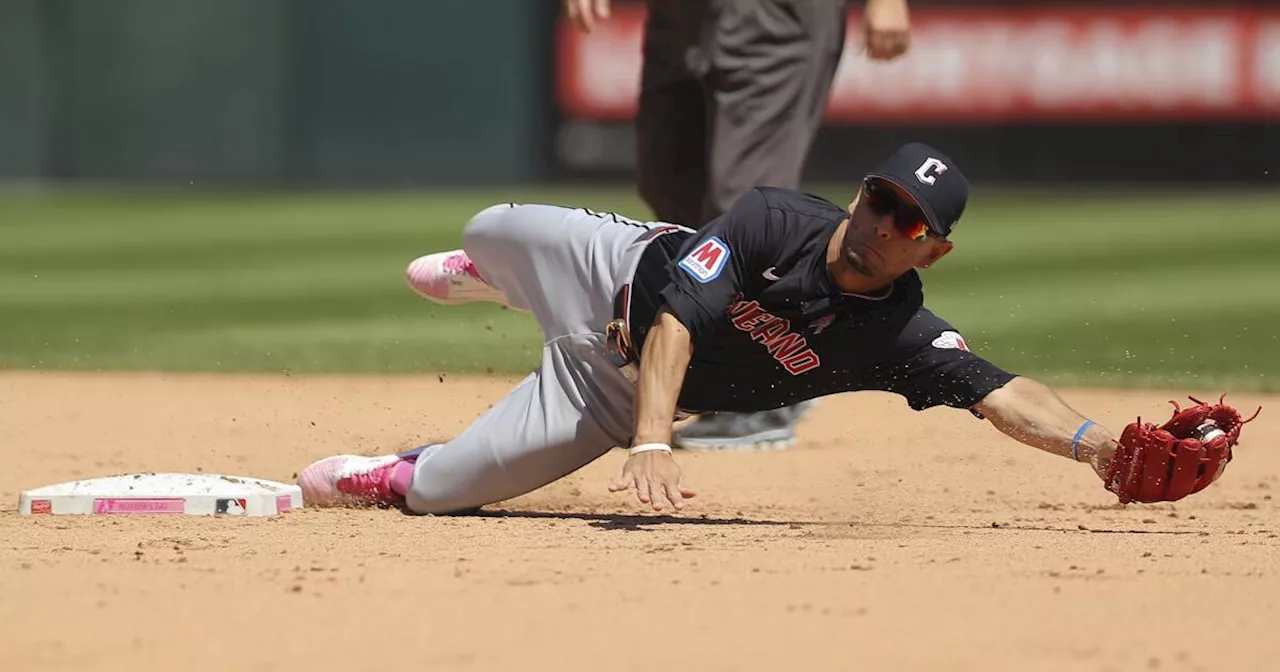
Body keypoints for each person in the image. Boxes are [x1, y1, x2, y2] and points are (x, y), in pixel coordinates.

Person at [296, 142, 1242, 515]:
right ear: (862, 190)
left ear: (932, 252)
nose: (881, 225)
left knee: (440, 494)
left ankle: (405, 465)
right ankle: (501, 283)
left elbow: (997, 388)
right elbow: (674, 319)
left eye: (909, 222)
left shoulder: (896, 335)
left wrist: (1094, 444)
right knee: (476, 234)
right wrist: (659, 441)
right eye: (880, 199)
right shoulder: (768, 221)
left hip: (609, 395)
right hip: (615, 272)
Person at [562, 0, 913, 451]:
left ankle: (767, 394)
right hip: (680, 17)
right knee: (668, 187)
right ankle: (710, 373)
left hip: (777, 14)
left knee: (743, 205)